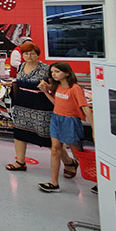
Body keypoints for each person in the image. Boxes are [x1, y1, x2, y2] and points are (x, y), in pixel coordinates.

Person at [5, 41, 72, 171]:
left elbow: (57, 85)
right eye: (26, 54)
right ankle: (20, 162)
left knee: (48, 139)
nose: (29, 56)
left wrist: (48, 87)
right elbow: (19, 82)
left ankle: (69, 163)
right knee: (20, 134)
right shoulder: (21, 66)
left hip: (41, 106)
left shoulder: (46, 69)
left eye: (32, 54)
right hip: (22, 105)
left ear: (37, 55)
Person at [37, 62, 94, 193]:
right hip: (56, 119)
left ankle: (100, 181)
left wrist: (94, 129)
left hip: (70, 121)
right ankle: (54, 183)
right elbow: (56, 103)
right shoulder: (57, 87)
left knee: (78, 154)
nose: (54, 74)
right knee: (55, 150)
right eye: (52, 72)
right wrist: (45, 92)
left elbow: (85, 108)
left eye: (57, 71)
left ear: (67, 73)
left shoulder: (75, 88)